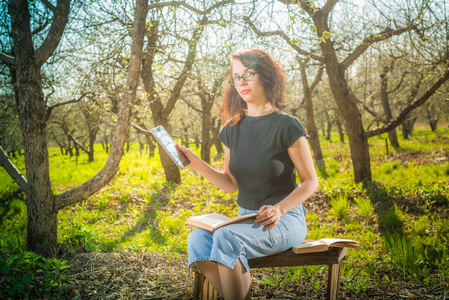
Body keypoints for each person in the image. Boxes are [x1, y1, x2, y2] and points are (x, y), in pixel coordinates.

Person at [176, 49, 318, 300]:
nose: (240, 82)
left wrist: (280, 209)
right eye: (235, 77)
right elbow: (231, 184)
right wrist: (196, 164)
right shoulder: (231, 129)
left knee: (226, 236)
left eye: (248, 74)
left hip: (284, 219)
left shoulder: (287, 125)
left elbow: (310, 181)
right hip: (245, 220)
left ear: (265, 76)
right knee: (197, 239)